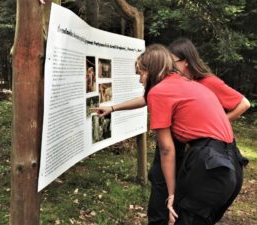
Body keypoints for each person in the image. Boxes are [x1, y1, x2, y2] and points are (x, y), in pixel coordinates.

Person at [94, 44, 247, 225]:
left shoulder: (160, 91)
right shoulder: (188, 85)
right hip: (232, 167)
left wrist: (171, 194)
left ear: (153, 70)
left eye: (141, 73)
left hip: (208, 165)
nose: (140, 79)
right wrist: (113, 108)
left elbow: (167, 149)